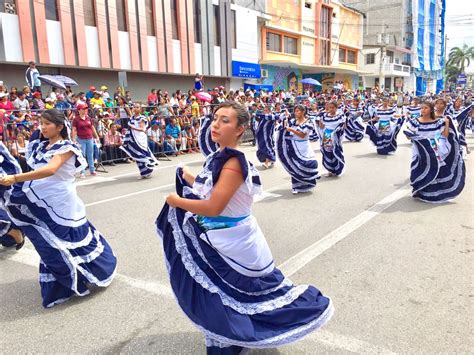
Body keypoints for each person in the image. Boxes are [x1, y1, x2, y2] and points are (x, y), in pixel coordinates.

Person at [156, 101, 333, 354]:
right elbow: (211, 190)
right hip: (222, 237)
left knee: (236, 296)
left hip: (233, 242)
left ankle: (241, 337)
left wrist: (175, 201)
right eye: (215, 118)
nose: (216, 124)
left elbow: (214, 206)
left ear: (240, 129)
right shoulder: (220, 157)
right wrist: (189, 177)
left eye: (225, 120)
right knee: (225, 297)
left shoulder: (233, 163)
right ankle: (232, 337)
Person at [0, 109, 117, 308]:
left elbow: (50, 169)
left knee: (63, 240)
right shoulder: (41, 145)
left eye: (47, 124)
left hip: (60, 202)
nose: (42, 127)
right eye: (41, 123)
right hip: (40, 197)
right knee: (47, 243)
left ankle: (85, 275)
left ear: (60, 127)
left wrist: (16, 178)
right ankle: (61, 283)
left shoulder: (67, 147)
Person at [404, 101, 465, 203]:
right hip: (420, 151)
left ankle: (434, 192)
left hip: (434, 149)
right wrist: (411, 135)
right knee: (419, 169)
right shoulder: (415, 122)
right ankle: (421, 191)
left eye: (425, 108)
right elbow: (408, 136)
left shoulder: (437, 122)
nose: (423, 110)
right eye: (422, 108)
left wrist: (447, 124)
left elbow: (445, 135)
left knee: (435, 169)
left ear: (431, 109)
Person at [276, 104, 319, 194]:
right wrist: (286, 118)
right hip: (293, 146)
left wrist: (291, 130)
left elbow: (302, 135)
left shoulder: (309, 122)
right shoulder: (293, 121)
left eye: (298, 111)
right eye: (295, 111)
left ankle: (307, 182)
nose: (296, 113)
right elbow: (285, 126)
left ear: (303, 112)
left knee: (307, 164)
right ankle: (296, 186)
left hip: (304, 146)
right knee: (294, 165)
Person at [120, 103, 159, 178]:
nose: (135, 108)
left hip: (140, 139)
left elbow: (142, 129)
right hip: (133, 139)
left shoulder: (142, 118)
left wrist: (132, 127)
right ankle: (143, 173)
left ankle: (148, 170)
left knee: (142, 154)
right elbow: (128, 111)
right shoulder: (132, 118)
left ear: (140, 109)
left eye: (137, 107)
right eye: (134, 107)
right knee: (136, 156)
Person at [317, 101, 346, 177]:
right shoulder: (325, 116)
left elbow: (343, 126)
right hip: (326, 135)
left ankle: (337, 169)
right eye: (330, 107)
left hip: (335, 137)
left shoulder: (340, 116)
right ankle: (330, 170)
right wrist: (320, 122)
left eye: (333, 107)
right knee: (327, 153)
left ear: (336, 108)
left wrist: (337, 132)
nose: (331, 109)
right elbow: (321, 127)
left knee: (335, 152)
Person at [72, 103, 100, 177]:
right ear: (79, 110)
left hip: (90, 138)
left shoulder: (88, 118)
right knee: (82, 155)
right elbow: (74, 130)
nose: (85, 110)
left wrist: (96, 137)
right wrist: (73, 139)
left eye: (86, 109)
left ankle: (92, 170)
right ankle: (82, 172)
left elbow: (92, 128)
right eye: (83, 109)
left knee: (90, 155)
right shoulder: (76, 119)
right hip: (81, 139)